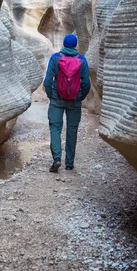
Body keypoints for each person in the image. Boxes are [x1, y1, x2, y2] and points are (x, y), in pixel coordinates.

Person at [43, 34, 91, 172]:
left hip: (57, 99)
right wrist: (80, 96)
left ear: (64, 44)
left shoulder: (55, 58)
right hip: (74, 100)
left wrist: (51, 95)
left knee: (55, 128)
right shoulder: (82, 60)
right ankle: (69, 163)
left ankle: (57, 159)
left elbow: (48, 80)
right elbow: (86, 83)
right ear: (75, 45)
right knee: (72, 130)